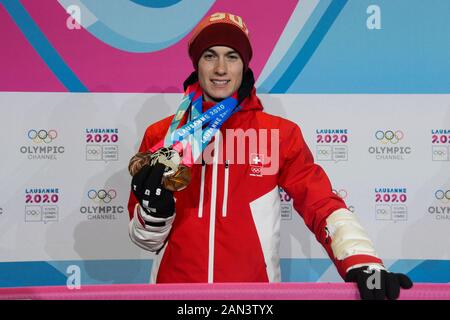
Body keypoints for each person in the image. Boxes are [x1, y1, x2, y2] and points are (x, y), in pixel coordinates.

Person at [127, 12, 413, 300]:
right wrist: (154, 212)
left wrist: (362, 262)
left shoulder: (279, 134)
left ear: (245, 65)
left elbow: (321, 204)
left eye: (233, 56)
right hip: (175, 296)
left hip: (254, 299)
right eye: (210, 56)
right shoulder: (164, 135)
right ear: (197, 64)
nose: (221, 69)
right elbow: (145, 240)